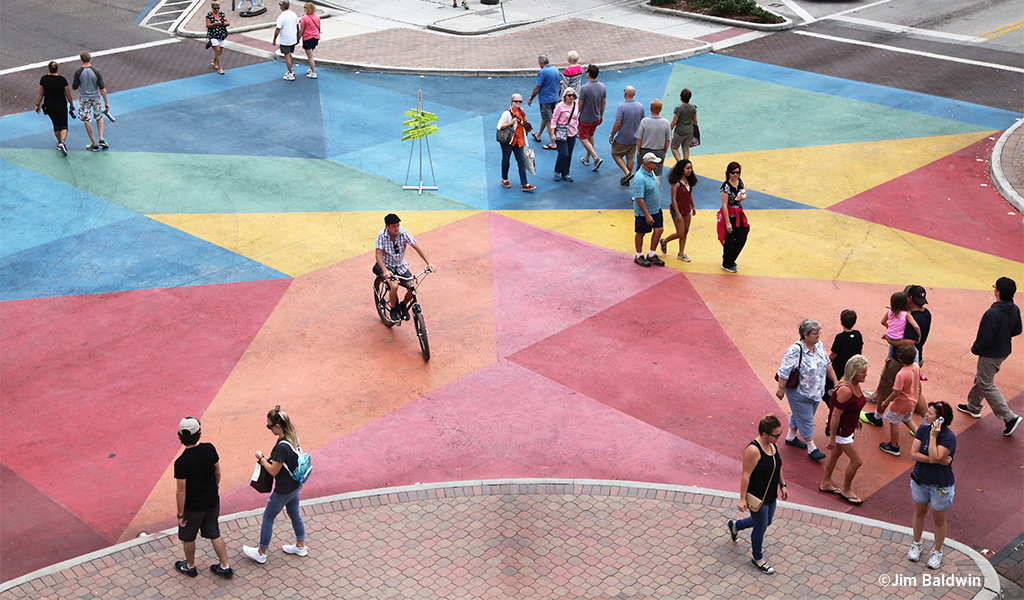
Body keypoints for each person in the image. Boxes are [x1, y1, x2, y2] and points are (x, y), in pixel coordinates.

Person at [244, 406, 308, 564]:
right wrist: (269, 457)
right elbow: (278, 455)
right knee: (294, 514)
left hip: (284, 489)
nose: (269, 429)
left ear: (277, 426)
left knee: (268, 517)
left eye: (269, 426)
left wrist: (261, 459)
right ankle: (300, 546)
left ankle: (261, 552)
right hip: (295, 485)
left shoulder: (281, 446)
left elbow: (273, 470)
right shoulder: (292, 435)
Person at [958, 277, 1022, 436]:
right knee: (982, 377)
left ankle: (1009, 417)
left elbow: (984, 338)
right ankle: (973, 406)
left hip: (990, 354)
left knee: (986, 383)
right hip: (1003, 350)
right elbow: (1017, 329)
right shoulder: (1014, 309)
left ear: (998, 292)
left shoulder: (992, 313)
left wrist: (975, 348)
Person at [727, 413, 788, 575]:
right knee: (760, 527)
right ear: (765, 434)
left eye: (780, 434)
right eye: (776, 435)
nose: (779, 438)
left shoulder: (773, 446)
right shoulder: (754, 450)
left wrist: (783, 484)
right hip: (757, 495)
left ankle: (735, 526)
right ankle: (757, 558)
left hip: (770, 494)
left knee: (766, 522)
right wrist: (742, 498)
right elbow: (745, 475)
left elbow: (778, 465)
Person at [173, 417, 233, 579]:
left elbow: (181, 491)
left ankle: (190, 566)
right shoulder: (209, 449)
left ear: (180, 436)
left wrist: (180, 514)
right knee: (214, 532)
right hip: (212, 500)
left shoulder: (181, 462)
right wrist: (215, 488)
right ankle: (225, 565)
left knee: (188, 536)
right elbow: (217, 472)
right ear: (198, 433)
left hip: (193, 507)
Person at [776, 319, 838, 461]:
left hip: (816, 392)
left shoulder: (819, 345)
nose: (818, 336)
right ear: (805, 335)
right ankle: (811, 447)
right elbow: (784, 372)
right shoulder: (795, 351)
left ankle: (791, 437)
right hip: (800, 392)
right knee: (807, 419)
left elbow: (827, 364)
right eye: (815, 334)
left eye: (818, 333)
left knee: (800, 414)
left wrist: (835, 380)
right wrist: (781, 389)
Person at [866, 285, 929, 422]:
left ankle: (877, 416)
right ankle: (926, 422)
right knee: (916, 391)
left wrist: (890, 340)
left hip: (898, 359)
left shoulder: (910, 317)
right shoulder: (925, 314)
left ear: (910, 298)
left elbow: (909, 342)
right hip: (915, 358)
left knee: (886, 386)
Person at [908, 401, 956, 570]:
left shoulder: (949, 438)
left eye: (930, 413)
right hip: (920, 481)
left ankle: (937, 551)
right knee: (919, 513)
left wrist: (934, 437)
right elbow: (914, 454)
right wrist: (935, 460)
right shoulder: (922, 430)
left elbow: (936, 455)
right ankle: (916, 543)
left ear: (941, 419)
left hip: (940, 486)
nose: (926, 415)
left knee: (939, 520)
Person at [820, 355, 869, 505]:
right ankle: (846, 489)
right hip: (842, 432)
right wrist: (832, 437)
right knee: (857, 461)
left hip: (847, 428)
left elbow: (850, 408)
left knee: (835, 456)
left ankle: (826, 483)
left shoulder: (854, 384)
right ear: (854, 372)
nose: (865, 374)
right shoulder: (846, 390)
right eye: (862, 372)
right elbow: (835, 415)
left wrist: (856, 419)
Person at [374, 213, 437, 321]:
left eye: (398, 225)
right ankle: (393, 309)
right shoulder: (381, 236)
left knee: (412, 289)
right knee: (394, 286)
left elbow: (417, 247)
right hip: (387, 266)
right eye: (394, 226)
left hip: (400, 265)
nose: (397, 228)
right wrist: (385, 270)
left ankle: (403, 305)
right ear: (387, 226)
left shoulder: (403, 232)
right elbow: (378, 255)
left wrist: (429, 262)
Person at [876, 345, 920, 457]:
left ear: (900, 359)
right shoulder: (916, 366)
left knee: (893, 421)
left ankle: (894, 445)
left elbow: (896, 391)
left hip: (902, 402)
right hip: (912, 400)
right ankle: (922, 438)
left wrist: (886, 401)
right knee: (907, 419)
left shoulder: (901, 374)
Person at [496, 93, 536, 192]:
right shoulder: (507, 113)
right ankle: (504, 179)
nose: (518, 103)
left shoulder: (522, 113)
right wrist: (510, 123)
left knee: (521, 162)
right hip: (508, 141)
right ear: (512, 102)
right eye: (516, 101)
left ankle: (525, 183)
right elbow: (499, 126)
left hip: (519, 141)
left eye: (520, 101)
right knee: (506, 160)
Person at [659, 159, 697, 262]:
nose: (689, 170)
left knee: (685, 232)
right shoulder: (676, 183)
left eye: (690, 168)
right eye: (687, 168)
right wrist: (678, 213)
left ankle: (681, 253)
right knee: (680, 233)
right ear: (682, 169)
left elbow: (689, 194)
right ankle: (664, 241)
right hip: (677, 211)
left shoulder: (688, 181)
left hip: (687, 209)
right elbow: (674, 199)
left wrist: (693, 206)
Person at [631, 153, 665, 268]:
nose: (657, 164)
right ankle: (639, 255)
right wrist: (647, 215)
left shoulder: (651, 173)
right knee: (641, 233)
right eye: (654, 162)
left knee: (659, 230)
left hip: (655, 208)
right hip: (644, 212)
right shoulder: (640, 178)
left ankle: (652, 253)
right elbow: (639, 199)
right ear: (648, 163)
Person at [72, 51, 109, 152]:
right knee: (99, 116)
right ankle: (101, 138)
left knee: (87, 120)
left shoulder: (78, 72)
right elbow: (102, 88)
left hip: (84, 98)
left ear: (81, 59)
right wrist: (106, 102)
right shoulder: (96, 71)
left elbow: (74, 87)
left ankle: (94, 143)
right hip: (96, 97)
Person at [35, 61, 74, 156]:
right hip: (61, 104)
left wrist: (37, 104)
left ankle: (59, 142)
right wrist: (71, 104)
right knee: (63, 124)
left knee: (55, 123)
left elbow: (40, 94)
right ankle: (63, 142)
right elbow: (68, 94)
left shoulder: (44, 79)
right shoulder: (62, 80)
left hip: (49, 104)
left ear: (49, 69)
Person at [608, 86, 644, 186]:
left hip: (623, 138)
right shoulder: (640, 106)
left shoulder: (622, 107)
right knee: (630, 157)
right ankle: (626, 179)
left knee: (616, 154)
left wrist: (612, 135)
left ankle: (627, 173)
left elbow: (617, 123)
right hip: (635, 137)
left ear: (625, 94)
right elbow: (642, 122)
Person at [717, 162, 748, 273]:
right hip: (730, 215)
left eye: (738, 172)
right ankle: (727, 263)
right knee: (730, 239)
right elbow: (724, 205)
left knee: (742, 238)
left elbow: (743, 193)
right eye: (733, 172)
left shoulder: (739, 182)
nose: (736, 175)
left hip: (738, 214)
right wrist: (728, 222)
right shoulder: (726, 187)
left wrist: (742, 197)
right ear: (729, 173)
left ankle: (729, 258)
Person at [576, 64, 606, 171]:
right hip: (596, 117)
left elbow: (580, 104)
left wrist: (575, 116)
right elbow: (603, 102)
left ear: (588, 74)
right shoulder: (602, 86)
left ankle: (595, 157)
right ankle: (587, 157)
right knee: (590, 135)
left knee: (583, 138)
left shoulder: (584, 88)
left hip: (585, 118)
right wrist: (601, 115)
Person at [527, 55, 560, 150]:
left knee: (549, 120)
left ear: (541, 63)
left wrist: (531, 98)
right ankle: (538, 135)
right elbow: (558, 83)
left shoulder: (542, 72)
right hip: (554, 98)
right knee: (546, 117)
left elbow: (537, 88)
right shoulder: (555, 69)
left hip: (545, 99)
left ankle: (553, 142)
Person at [633, 99, 671, 177]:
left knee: (642, 174)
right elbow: (668, 140)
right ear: (661, 109)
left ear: (650, 108)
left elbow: (639, 138)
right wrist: (664, 151)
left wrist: (639, 150)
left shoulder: (644, 121)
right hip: (659, 151)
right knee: (657, 176)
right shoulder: (666, 122)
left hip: (645, 151)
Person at [550, 88, 579, 182]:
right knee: (563, 153)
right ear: (565, 96)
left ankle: (565, 173)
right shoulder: (560, 106)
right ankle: (557, 170)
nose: (571, 97)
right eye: (569, 95)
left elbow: (576, 118)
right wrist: (552, 133)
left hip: (572, 132)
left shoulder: (576, 105)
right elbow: (554, 120)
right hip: (561, 132)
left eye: (573, 95)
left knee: (569, 154)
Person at [273, 0, 301, 81]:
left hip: (285, 39)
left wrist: (274, 39)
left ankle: (291, 74)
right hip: (293, 38)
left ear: (282, 6)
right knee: (290, 54)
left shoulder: (281, 16)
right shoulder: (293, 14)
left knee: (287, 55)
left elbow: (278, 29)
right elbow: (297, 26)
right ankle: (291, 69)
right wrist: (297, 37)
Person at [669, 88, 697, 162]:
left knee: (674, 147)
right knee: (686, 149)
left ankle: (680, 163)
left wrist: (668, 130)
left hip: (680, 132)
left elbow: (674, 121)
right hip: (690, 131)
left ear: (681, 97)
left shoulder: (679, 109)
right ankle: (685, 165)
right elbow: (695, 121)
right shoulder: (693, 107)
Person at [206, 1, 230, 75]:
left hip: (221, 34)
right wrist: (216, 23)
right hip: (213, 35)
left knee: (221, 51)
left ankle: (214, 61)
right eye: (215, 8)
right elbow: (208, 25)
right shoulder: (209, 15)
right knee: (218, 52)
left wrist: (225, 23)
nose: (217, 10)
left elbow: (228, 22)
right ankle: (220, 68)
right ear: (212, 8)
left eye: (218, 8)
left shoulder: (222, 14)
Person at [298, 3, 321, 79]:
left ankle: (313, 72)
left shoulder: (304, 18)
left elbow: (302, 30)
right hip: (315, 37)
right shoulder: (317, 17)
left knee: (310, 56)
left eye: (304, 7)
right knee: (311, 53)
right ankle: (311, 68)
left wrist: (298, 38)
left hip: (307, 38)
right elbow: (319, 28)